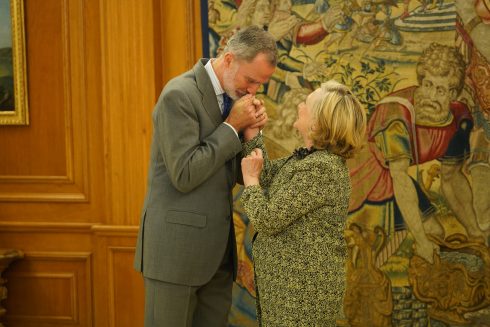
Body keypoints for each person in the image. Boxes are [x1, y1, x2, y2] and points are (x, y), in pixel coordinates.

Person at [133, 25, 277, 327]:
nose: (252, 91)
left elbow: (244, 173)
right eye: (250, 80)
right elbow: (184, 174)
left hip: (218, 259)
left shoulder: (233, 97)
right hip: (175, 255)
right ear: (228, 59)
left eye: (259, 85)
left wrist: (252, 133)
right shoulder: (178, 95)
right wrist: (232, 126)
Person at [240, 80, 367, 326]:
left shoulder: (322, 168)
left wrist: (251, 180)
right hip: (289, 288)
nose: (300, 104)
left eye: (307, 103)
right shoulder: (308, 161)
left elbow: (268, 219)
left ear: (317, 124)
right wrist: (253, 135)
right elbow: (267, 176)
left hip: (302, 293)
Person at [348, 43, 486, 265]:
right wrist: (421, 242)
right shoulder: (397, 113)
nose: (430, 95)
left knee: (436, 234)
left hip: (393, 176)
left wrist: (474, 231)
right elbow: (399, 177)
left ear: (452, 94)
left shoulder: (458, 118)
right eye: (427, 85)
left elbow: (451, 179)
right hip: (366, 175)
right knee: (416, 238)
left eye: (440, 90)